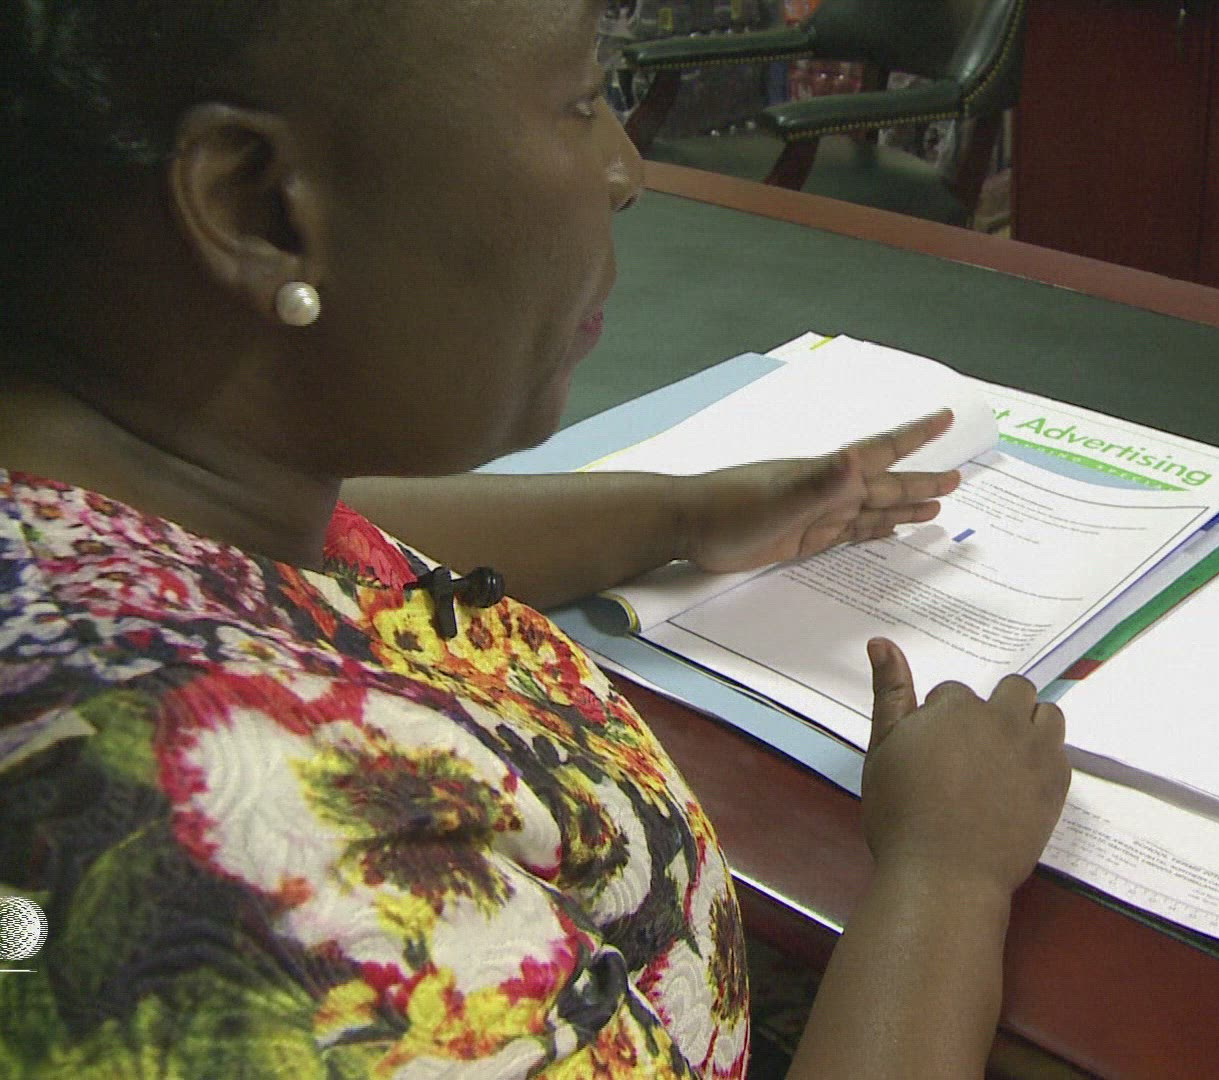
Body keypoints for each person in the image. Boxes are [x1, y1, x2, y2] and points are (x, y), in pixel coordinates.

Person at [0, 2, 1070, 1077]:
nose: (625, 171)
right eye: (580, 100)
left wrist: (681, 514)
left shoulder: (115, 487)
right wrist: (948, 874)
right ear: (259, 207)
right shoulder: (267, 894)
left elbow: (351, 534)